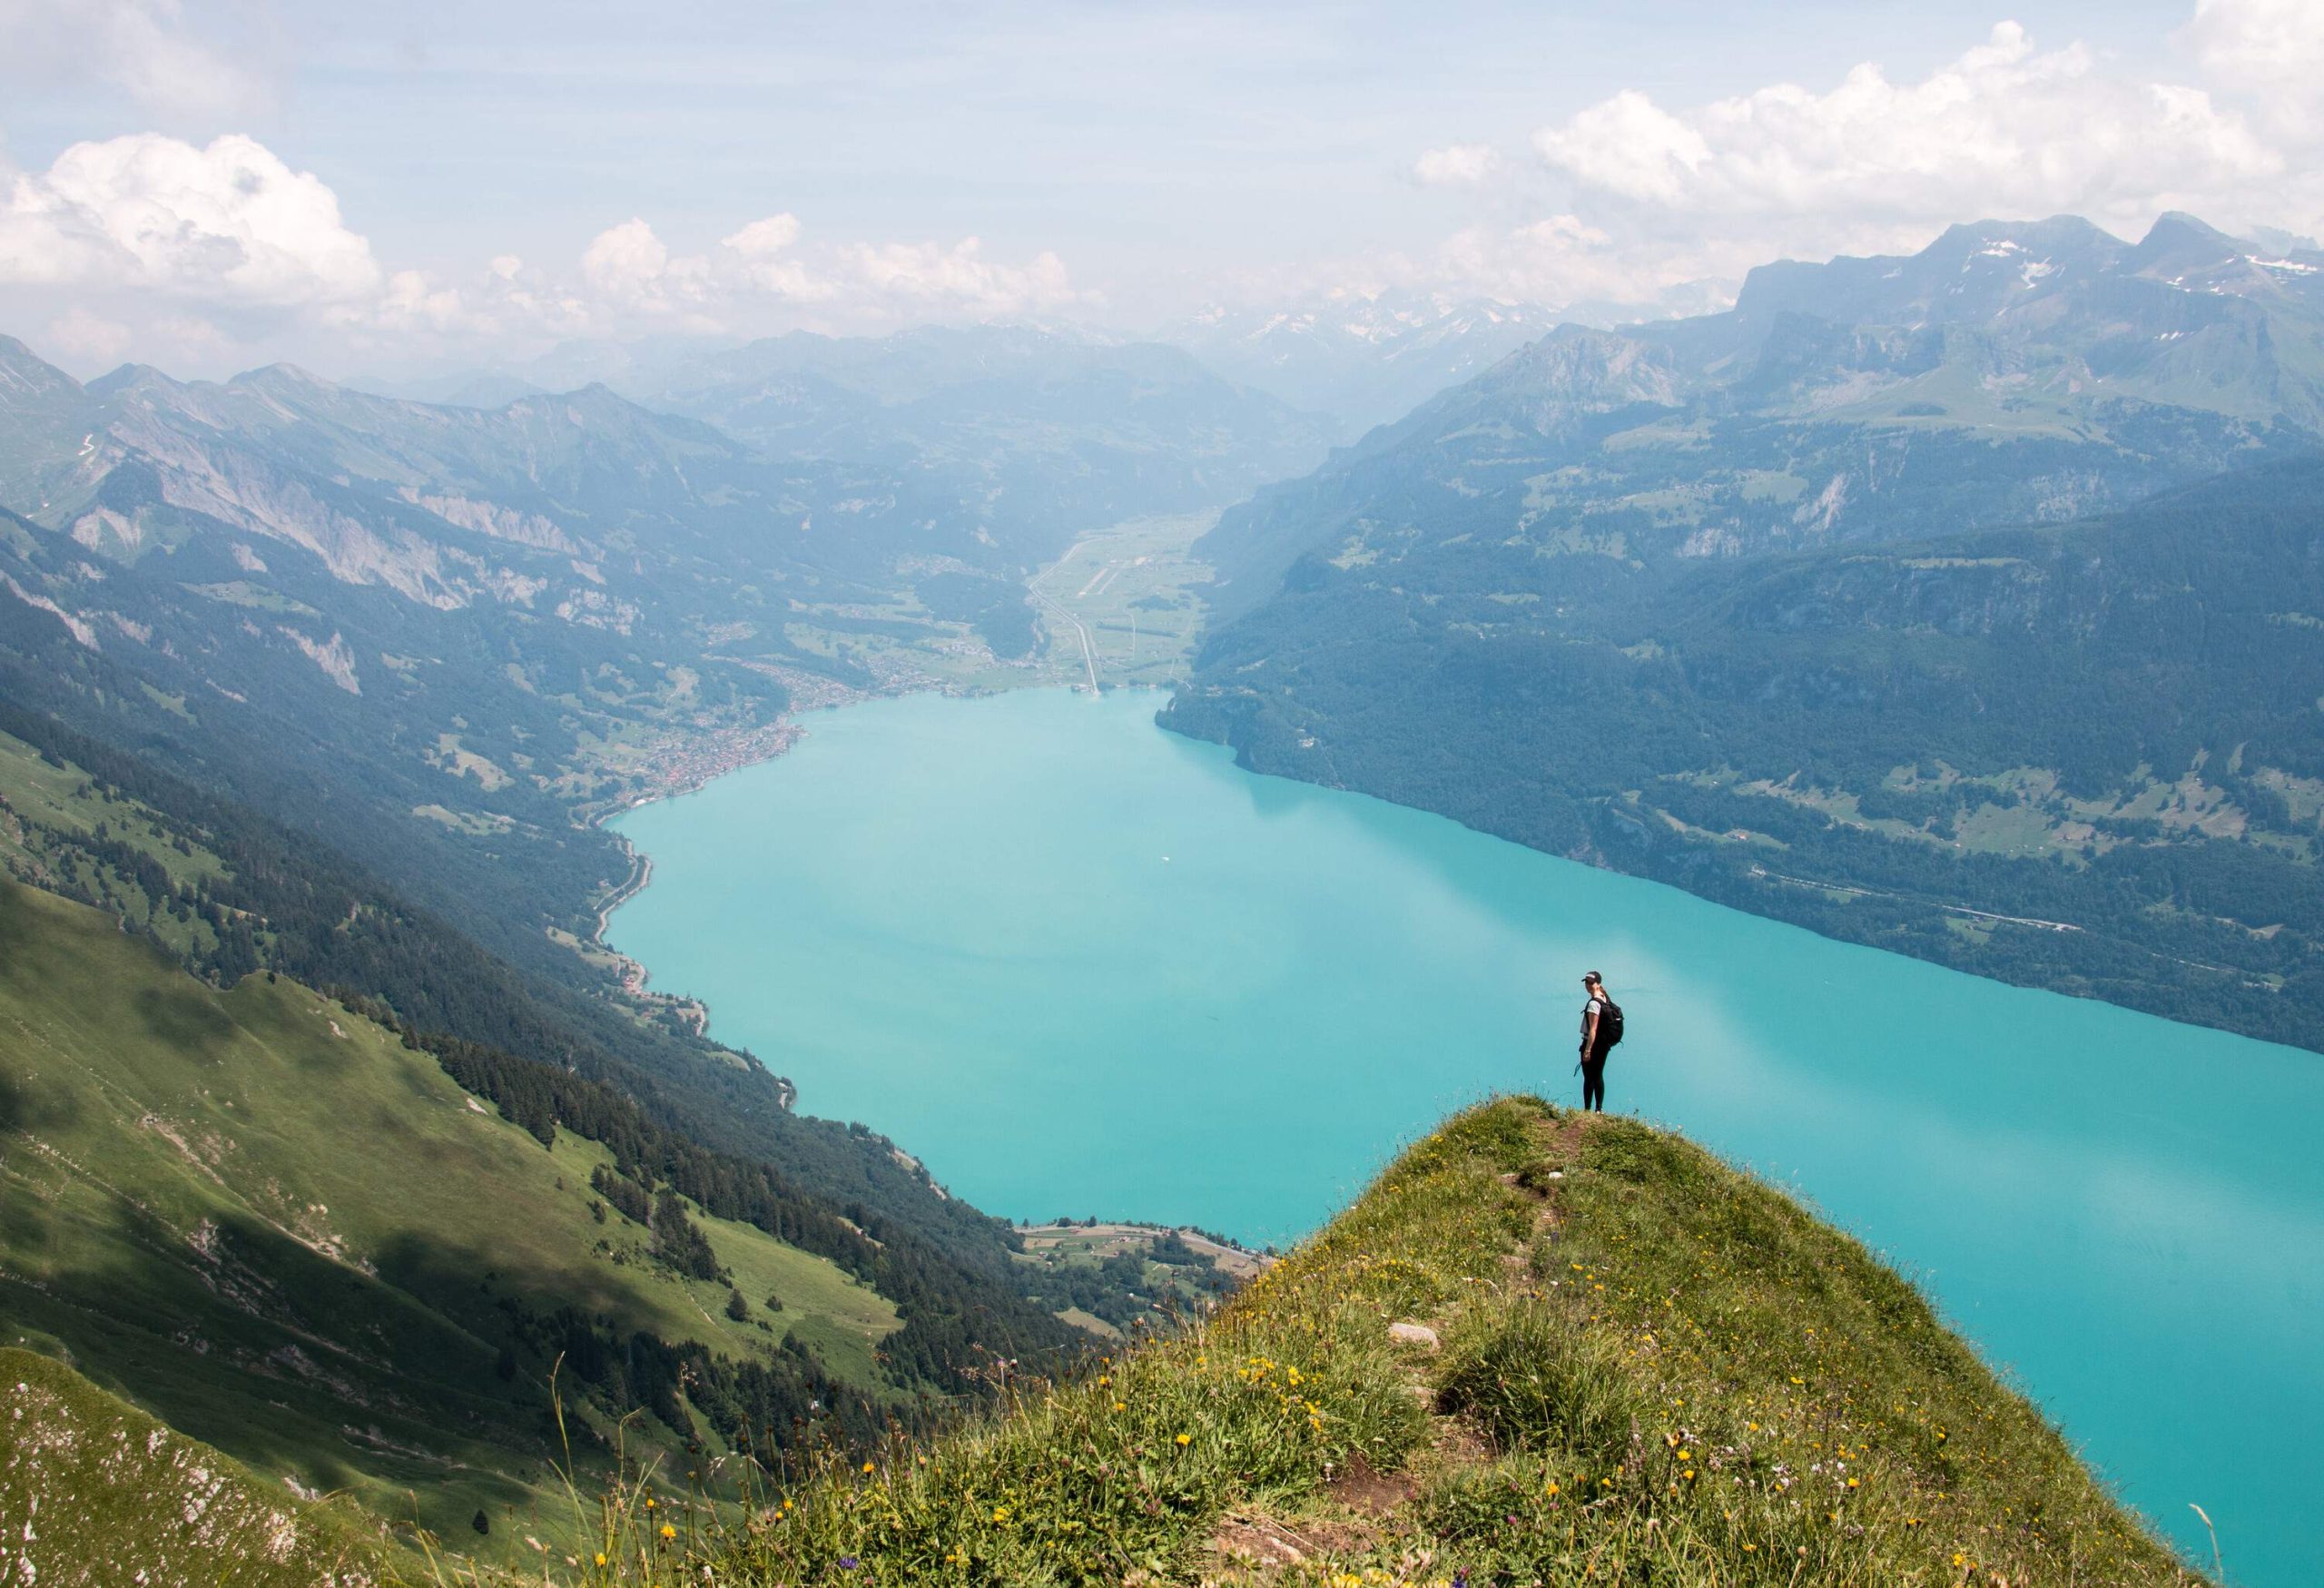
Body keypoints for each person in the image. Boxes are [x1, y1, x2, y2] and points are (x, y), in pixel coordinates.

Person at [1577, 972, 1617, 1112]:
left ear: (1598, 984)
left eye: (1591, 983)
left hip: (1592, 1043)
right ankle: (1598, 1109)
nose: (1588, 986)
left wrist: (1587, 1050)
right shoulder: (1605, 999)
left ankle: (1587, 1110)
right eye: (1586, 982)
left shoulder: (1594, 1003)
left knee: (1589, 1078)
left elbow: (1592, 1029)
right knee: (1598, 1075)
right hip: (1603, 1044)